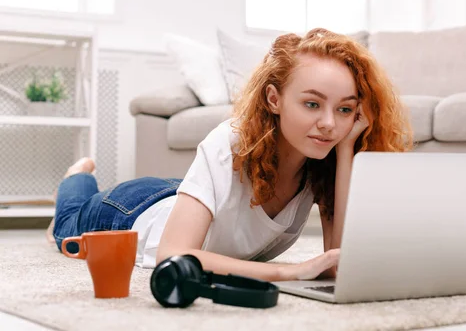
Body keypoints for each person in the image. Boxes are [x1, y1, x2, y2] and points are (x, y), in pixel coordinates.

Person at [47, 28, 413, 282]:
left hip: (184, 198)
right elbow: (171, 255)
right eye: (312, 103)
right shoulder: (229, 142)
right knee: (67, 224)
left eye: (346, 110)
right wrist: (287, 272)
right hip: (133, 212)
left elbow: (338, 261)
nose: (329, 124)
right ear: (274, 99)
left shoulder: (324, 157)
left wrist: (347, 150)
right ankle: (75, 176)